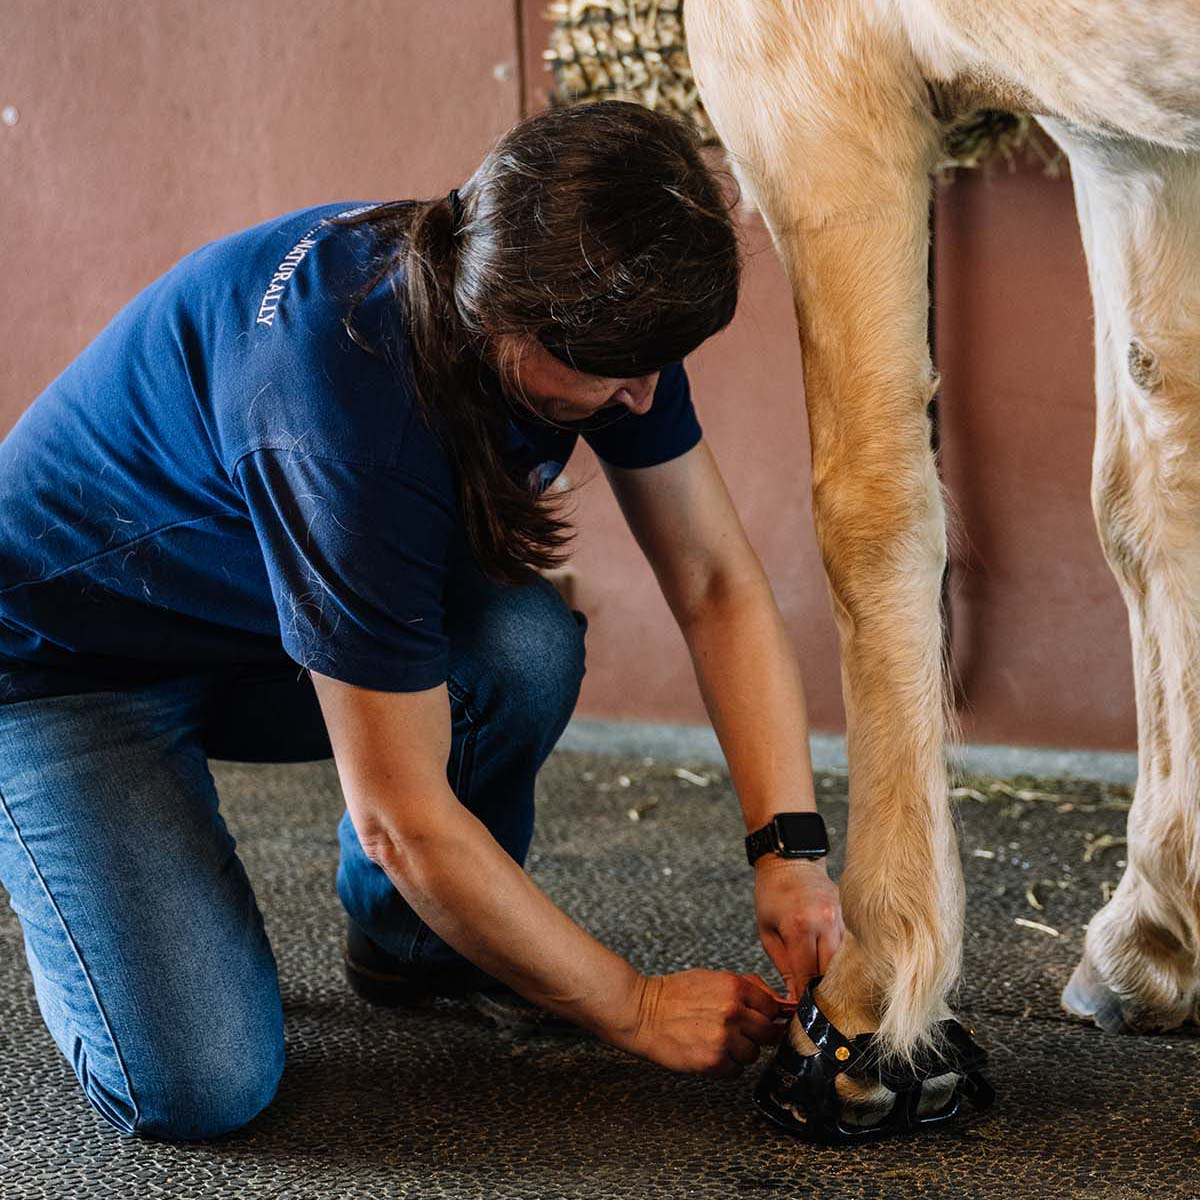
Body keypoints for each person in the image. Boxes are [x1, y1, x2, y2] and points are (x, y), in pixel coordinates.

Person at [0, 100, 843, 1143]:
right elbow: (403, 820)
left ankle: (414, 950)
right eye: (618, 373)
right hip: (62, 676)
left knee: (520, 646)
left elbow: (714, 579)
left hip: (258, 632)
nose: (643, 397)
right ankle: (75, 876)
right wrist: (629, 1004)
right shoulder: (344, 420)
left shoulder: (564, 300)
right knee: (198, 1086)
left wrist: (791, 851)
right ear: (509, 326)